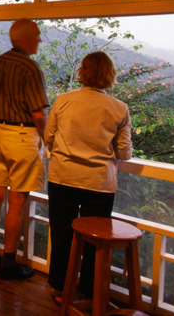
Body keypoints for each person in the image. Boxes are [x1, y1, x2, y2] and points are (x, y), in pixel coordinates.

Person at [45, 51, 132, 304]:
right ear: (110, 75)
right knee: (94, 241)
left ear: (83, 72)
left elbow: (49, 137)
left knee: (62, 234)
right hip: (99, 182)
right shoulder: (119, 108)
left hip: (63, 175)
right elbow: (124, 153)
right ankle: (88, 292)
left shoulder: (63, 100)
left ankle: (61, 288)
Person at [0, 18, 49, 280]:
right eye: (38, 36)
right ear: (26, 39)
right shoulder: (30, 68)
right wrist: (47, 138)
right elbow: (38, 114)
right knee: (17, 201)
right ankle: (8, 264)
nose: (40, 40)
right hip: (21, 135)